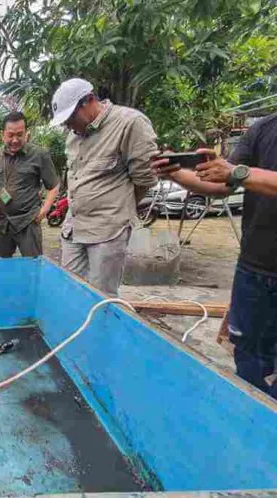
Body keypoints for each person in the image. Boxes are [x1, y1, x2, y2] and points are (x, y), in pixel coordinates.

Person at [151, 112, 277, 399]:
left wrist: (238, 172)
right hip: (254, 269)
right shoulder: (263, 129)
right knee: (248, 360)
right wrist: (175, 172)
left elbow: (236, 174)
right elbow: (222, 185)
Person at [51, 78, 158, 297]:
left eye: (71, 117)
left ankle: (100, 331)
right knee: (69, 290)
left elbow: (144, 180)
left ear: (88, 101)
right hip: (75, 226)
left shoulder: (129, 123)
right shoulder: (73, 135)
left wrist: (117, 209)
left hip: (107, 230)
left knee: (101, 296)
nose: (68, 125)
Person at [0, 111, 59, 258]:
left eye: (19, 135)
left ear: (26, 134)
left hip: (28, 221)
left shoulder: (39, 155)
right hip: (2, 223)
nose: (15, 140)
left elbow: (53, 185)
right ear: (3, 135)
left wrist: (44, 210)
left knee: (33, 266)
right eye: (10, 135)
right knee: (2, 266)